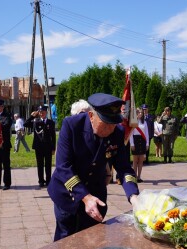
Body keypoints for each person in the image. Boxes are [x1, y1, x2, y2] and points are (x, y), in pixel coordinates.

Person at [48, 93, 140, 241]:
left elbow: (124, 168)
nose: (110, 129)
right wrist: (85, 197)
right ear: (91, 116)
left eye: (113, 123)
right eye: (106, 123)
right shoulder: (71, 126)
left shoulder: (118, 132)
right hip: (68, 194)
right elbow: (63, 167)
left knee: (93, 241)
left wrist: (134, 196)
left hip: (96, 195)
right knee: (65, 242)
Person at [24, 105, 56, 188]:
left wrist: (53, 148)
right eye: (40, 112)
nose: (42, 114)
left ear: (46, 112)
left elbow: (53, 136)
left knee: (48, 165)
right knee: (40, 164)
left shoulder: (50, 122)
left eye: (43, 112)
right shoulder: (35, 121)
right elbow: (25, 124)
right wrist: (32, 116)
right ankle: (41, 181)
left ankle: (49, 181)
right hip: (38, 147)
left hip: (48, 147)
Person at [129, 109, 149, 182]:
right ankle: (134, 176)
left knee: (141, 160)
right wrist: (132, 143)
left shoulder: (144, 122)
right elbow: (131, 134)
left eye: (141, 112)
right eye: (139, 112)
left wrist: (147, 144)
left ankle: (139, 177)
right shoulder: (133, 122)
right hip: (135, 141)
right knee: (135, 161)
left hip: (142, 141)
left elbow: (147, 134)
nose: (140, 113)